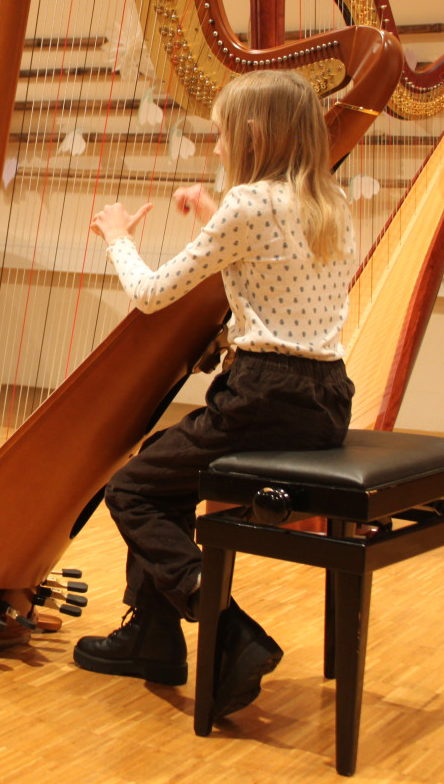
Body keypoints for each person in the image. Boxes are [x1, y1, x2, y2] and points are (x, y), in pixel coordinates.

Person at [74, 69, 356, 718]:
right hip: (327, 401)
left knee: (133, 488)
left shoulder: (248, 204)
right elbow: (276, 264)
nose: (217, 145)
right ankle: (153, 635)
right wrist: (210, 213)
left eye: (223, 132)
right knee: (162, 468)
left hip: (263, 396)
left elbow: (150, 295)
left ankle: (221, 616)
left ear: (252, 134)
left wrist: (118, 237)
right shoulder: (329, 201)